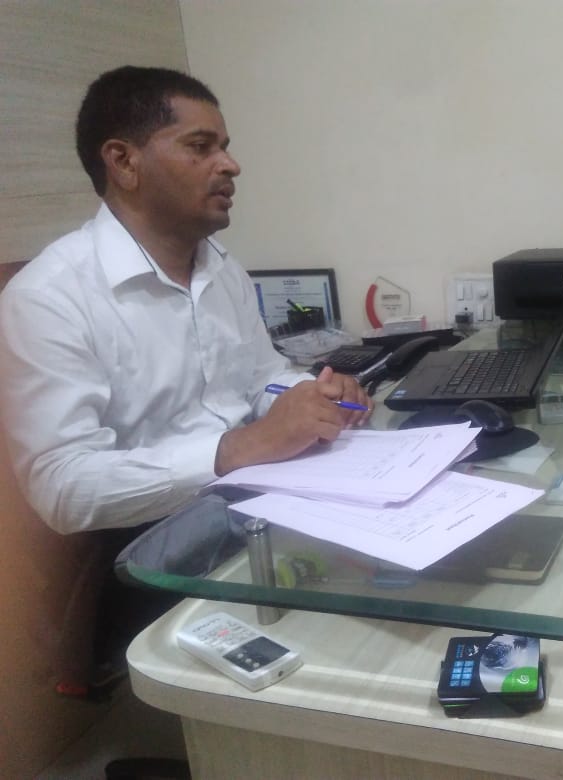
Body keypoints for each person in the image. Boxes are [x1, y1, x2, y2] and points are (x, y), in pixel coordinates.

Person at [0, 66, 370, 685]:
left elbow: (261, 378)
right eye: (202, 146)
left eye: (224, 146)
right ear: (124, 161)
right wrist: (236, 450)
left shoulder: (221, 269)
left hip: (254, 516)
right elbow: (62, 488)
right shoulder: (50, 297)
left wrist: (309, 397)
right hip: (144, 558)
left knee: (380, 613)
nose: (231, 165)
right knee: (329, 669)